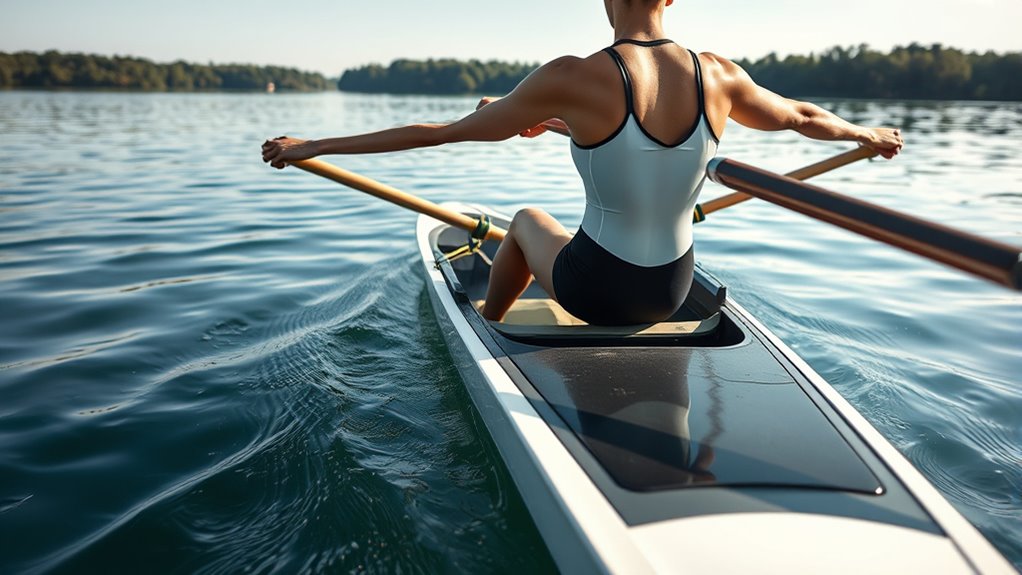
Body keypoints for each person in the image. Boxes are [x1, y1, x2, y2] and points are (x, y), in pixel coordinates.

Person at [262, 0, 904, 326]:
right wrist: (867, 133)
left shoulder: (573, 74)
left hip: (599, 290)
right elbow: (803, 117)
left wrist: (311, 147)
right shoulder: (721, 75)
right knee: (594, 231)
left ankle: (491, 325)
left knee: (525, 219)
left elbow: (440, 132)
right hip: (673, 289)